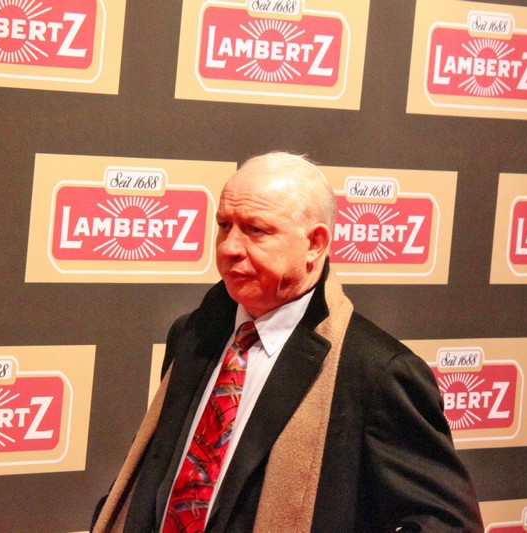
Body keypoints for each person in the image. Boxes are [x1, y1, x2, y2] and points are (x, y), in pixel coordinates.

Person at [92, 151, 484, 532]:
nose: (229, 247)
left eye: (255, 230)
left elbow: (449, 524)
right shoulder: (193, 333)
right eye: (224, 225)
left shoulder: (377, 371)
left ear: (315, 244)